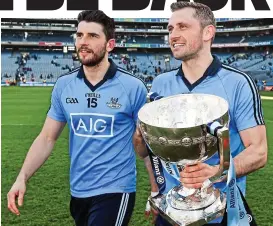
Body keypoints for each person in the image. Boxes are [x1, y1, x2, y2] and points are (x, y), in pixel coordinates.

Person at [7, 10, 148, 226]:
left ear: (110, 44)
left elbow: (147, 143)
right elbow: (47, 138)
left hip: (116, 190)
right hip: (79, 191)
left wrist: (157, 188)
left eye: (92, 36)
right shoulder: (64, 85)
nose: (83, 41)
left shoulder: (133, 87)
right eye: (80, 35)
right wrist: (22, 177)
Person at [135, 2, 268, 225]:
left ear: (208, 32)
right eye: (170, 29)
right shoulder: (160, 84)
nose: (173, 35)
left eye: (182, 27)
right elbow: (147, 151)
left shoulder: (237, 83)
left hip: (223, 210)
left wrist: (217, 171)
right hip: (173, 210)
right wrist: (141, 140)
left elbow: (259, 151)